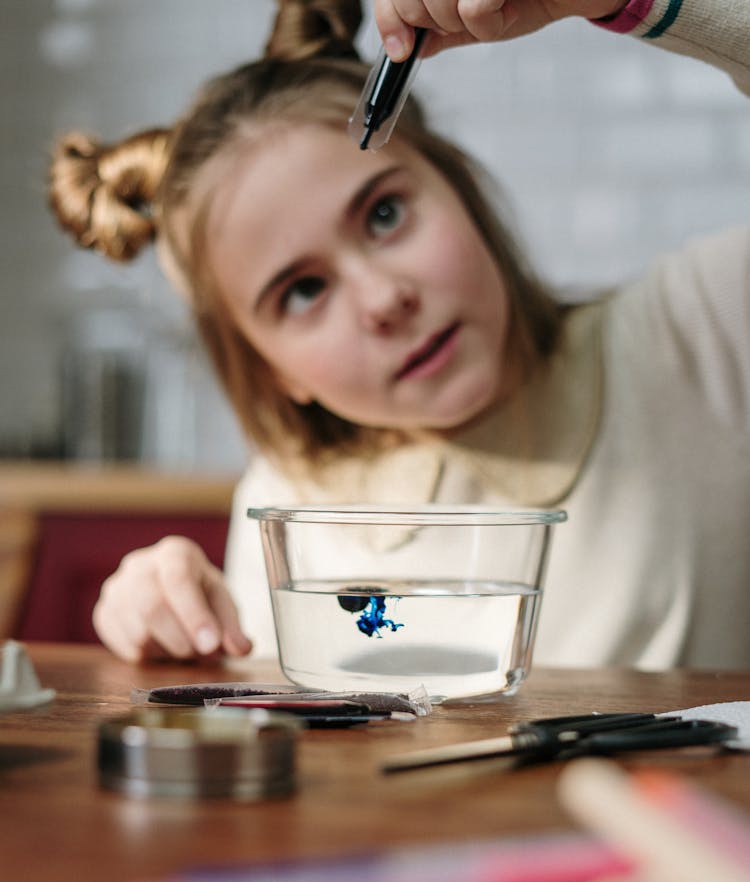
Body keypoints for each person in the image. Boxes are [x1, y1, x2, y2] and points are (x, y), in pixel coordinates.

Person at [47, 0, 750, 670]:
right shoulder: (287, 505)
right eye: (303, 290)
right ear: (273, 370)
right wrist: (172, 621)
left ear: (459, 189)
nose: (384, 300)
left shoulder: (699, 328)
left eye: (384, 214)